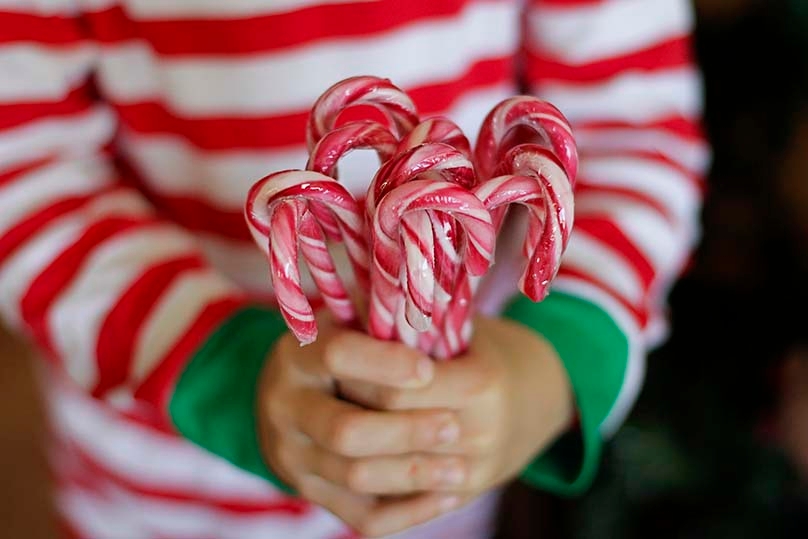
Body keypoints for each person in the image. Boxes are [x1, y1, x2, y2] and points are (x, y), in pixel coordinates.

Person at [0, 1, 709, 537]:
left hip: (442, 470)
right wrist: (224, 368)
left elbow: (633, 136)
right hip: (159, 488)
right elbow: (22, 167)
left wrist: (551, 358)